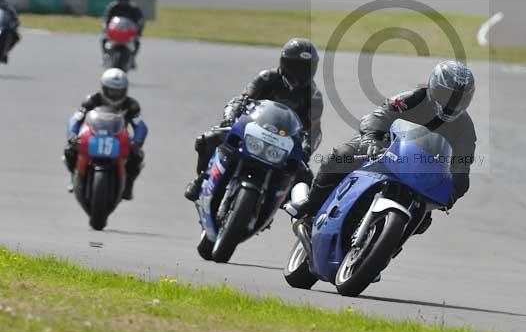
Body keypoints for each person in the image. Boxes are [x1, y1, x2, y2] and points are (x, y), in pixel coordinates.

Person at [285, 60, 477, 235]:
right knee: (340, 156)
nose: (453, 103)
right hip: (384, 150)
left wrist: (452, 192)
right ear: (434, 87)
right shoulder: (413, 99)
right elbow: (379, 116)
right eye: (447, 94)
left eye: (460, 98)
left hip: (421, 171)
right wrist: (371, 140)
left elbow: (462, 165)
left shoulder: (465, 127)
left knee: (423, 220)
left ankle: (380, 254)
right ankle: (310, 203)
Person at [184, 38, 324, 202]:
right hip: (251, 130)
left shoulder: (313, 96)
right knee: (207, 140)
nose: (300, 73)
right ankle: (202, 179)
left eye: (306, 68)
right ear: (284, 63)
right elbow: (240, 100)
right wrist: (229, 118)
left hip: (283, 144)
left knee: (305, 177)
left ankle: (299, 218)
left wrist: (306, 151)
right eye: (296, 66)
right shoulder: (267, 78)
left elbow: (315, 130)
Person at [63, 68, 148, 200]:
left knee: (137, 156)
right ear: (103, 88)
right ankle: (74, 176)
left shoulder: (131, 105)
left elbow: (140, 126)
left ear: (125, 90)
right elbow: (75, 119)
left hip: (119, 137)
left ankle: (129, 185)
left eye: (119, 92)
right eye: (111, 91)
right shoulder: (91, 100)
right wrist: (72, 136)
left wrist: (137, 142)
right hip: (93, 135)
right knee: (69, 150)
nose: (115, 95)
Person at [102, 0, 145, 68]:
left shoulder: (134, 8)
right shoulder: (113, 7)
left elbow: (141, 19)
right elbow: (106, 18)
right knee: (104, 39)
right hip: (115, 31)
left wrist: (139, 29)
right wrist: (105, 27)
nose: (123, 1)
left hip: (128, 32)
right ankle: (106, 55)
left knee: (137, 42)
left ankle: (132, 58)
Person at [0, 0, 21, 64]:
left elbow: (16, 19)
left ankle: (4, 52)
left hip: (3, 28)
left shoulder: (8, 7)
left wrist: (15, 24)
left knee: (15, 36)